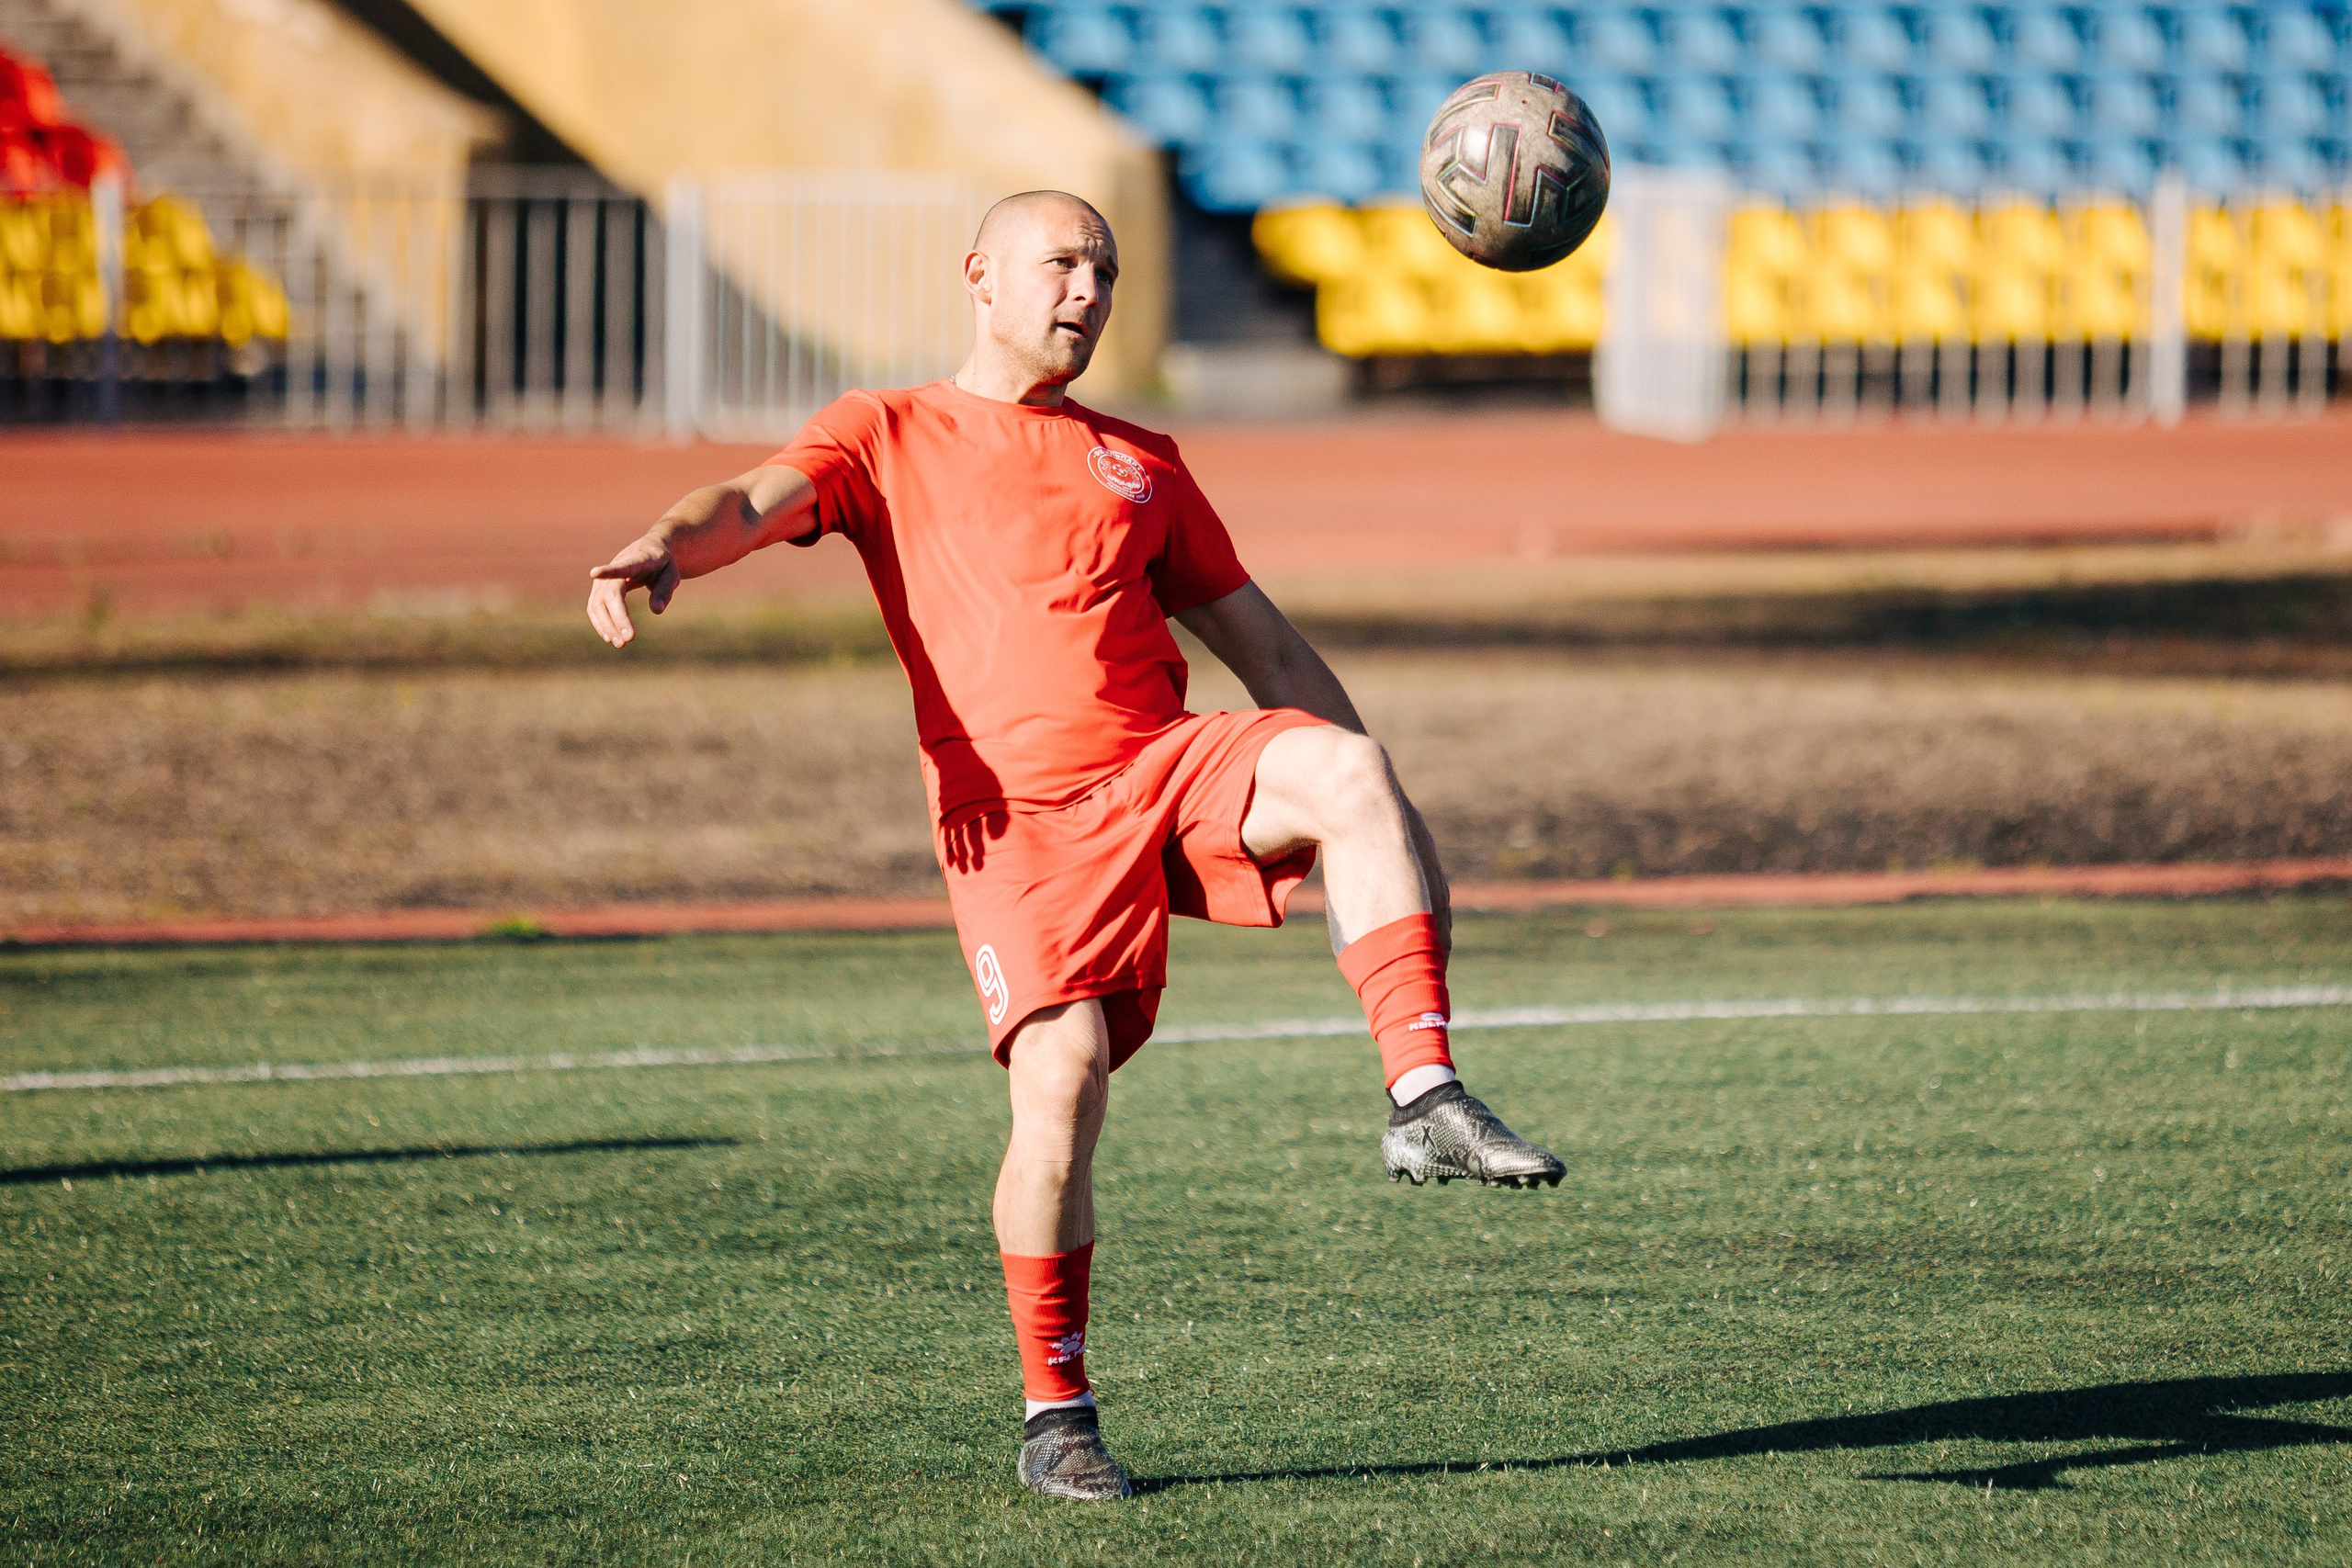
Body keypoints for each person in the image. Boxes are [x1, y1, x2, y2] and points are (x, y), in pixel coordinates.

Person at [587, 190, 1563, 1503]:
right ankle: (1057, 1415)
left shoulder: (1140, 460)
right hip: (1016, 826)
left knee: (1343, 765)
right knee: (1062, 1086)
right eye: (1061, 265)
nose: (1088, 292)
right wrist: (669, 543)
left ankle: (1424, 1098)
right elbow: (752, 500)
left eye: (1103, 271)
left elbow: (1270, 655)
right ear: (980, 276)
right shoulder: (888, 430)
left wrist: (1380, 804)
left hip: (1161, 768)